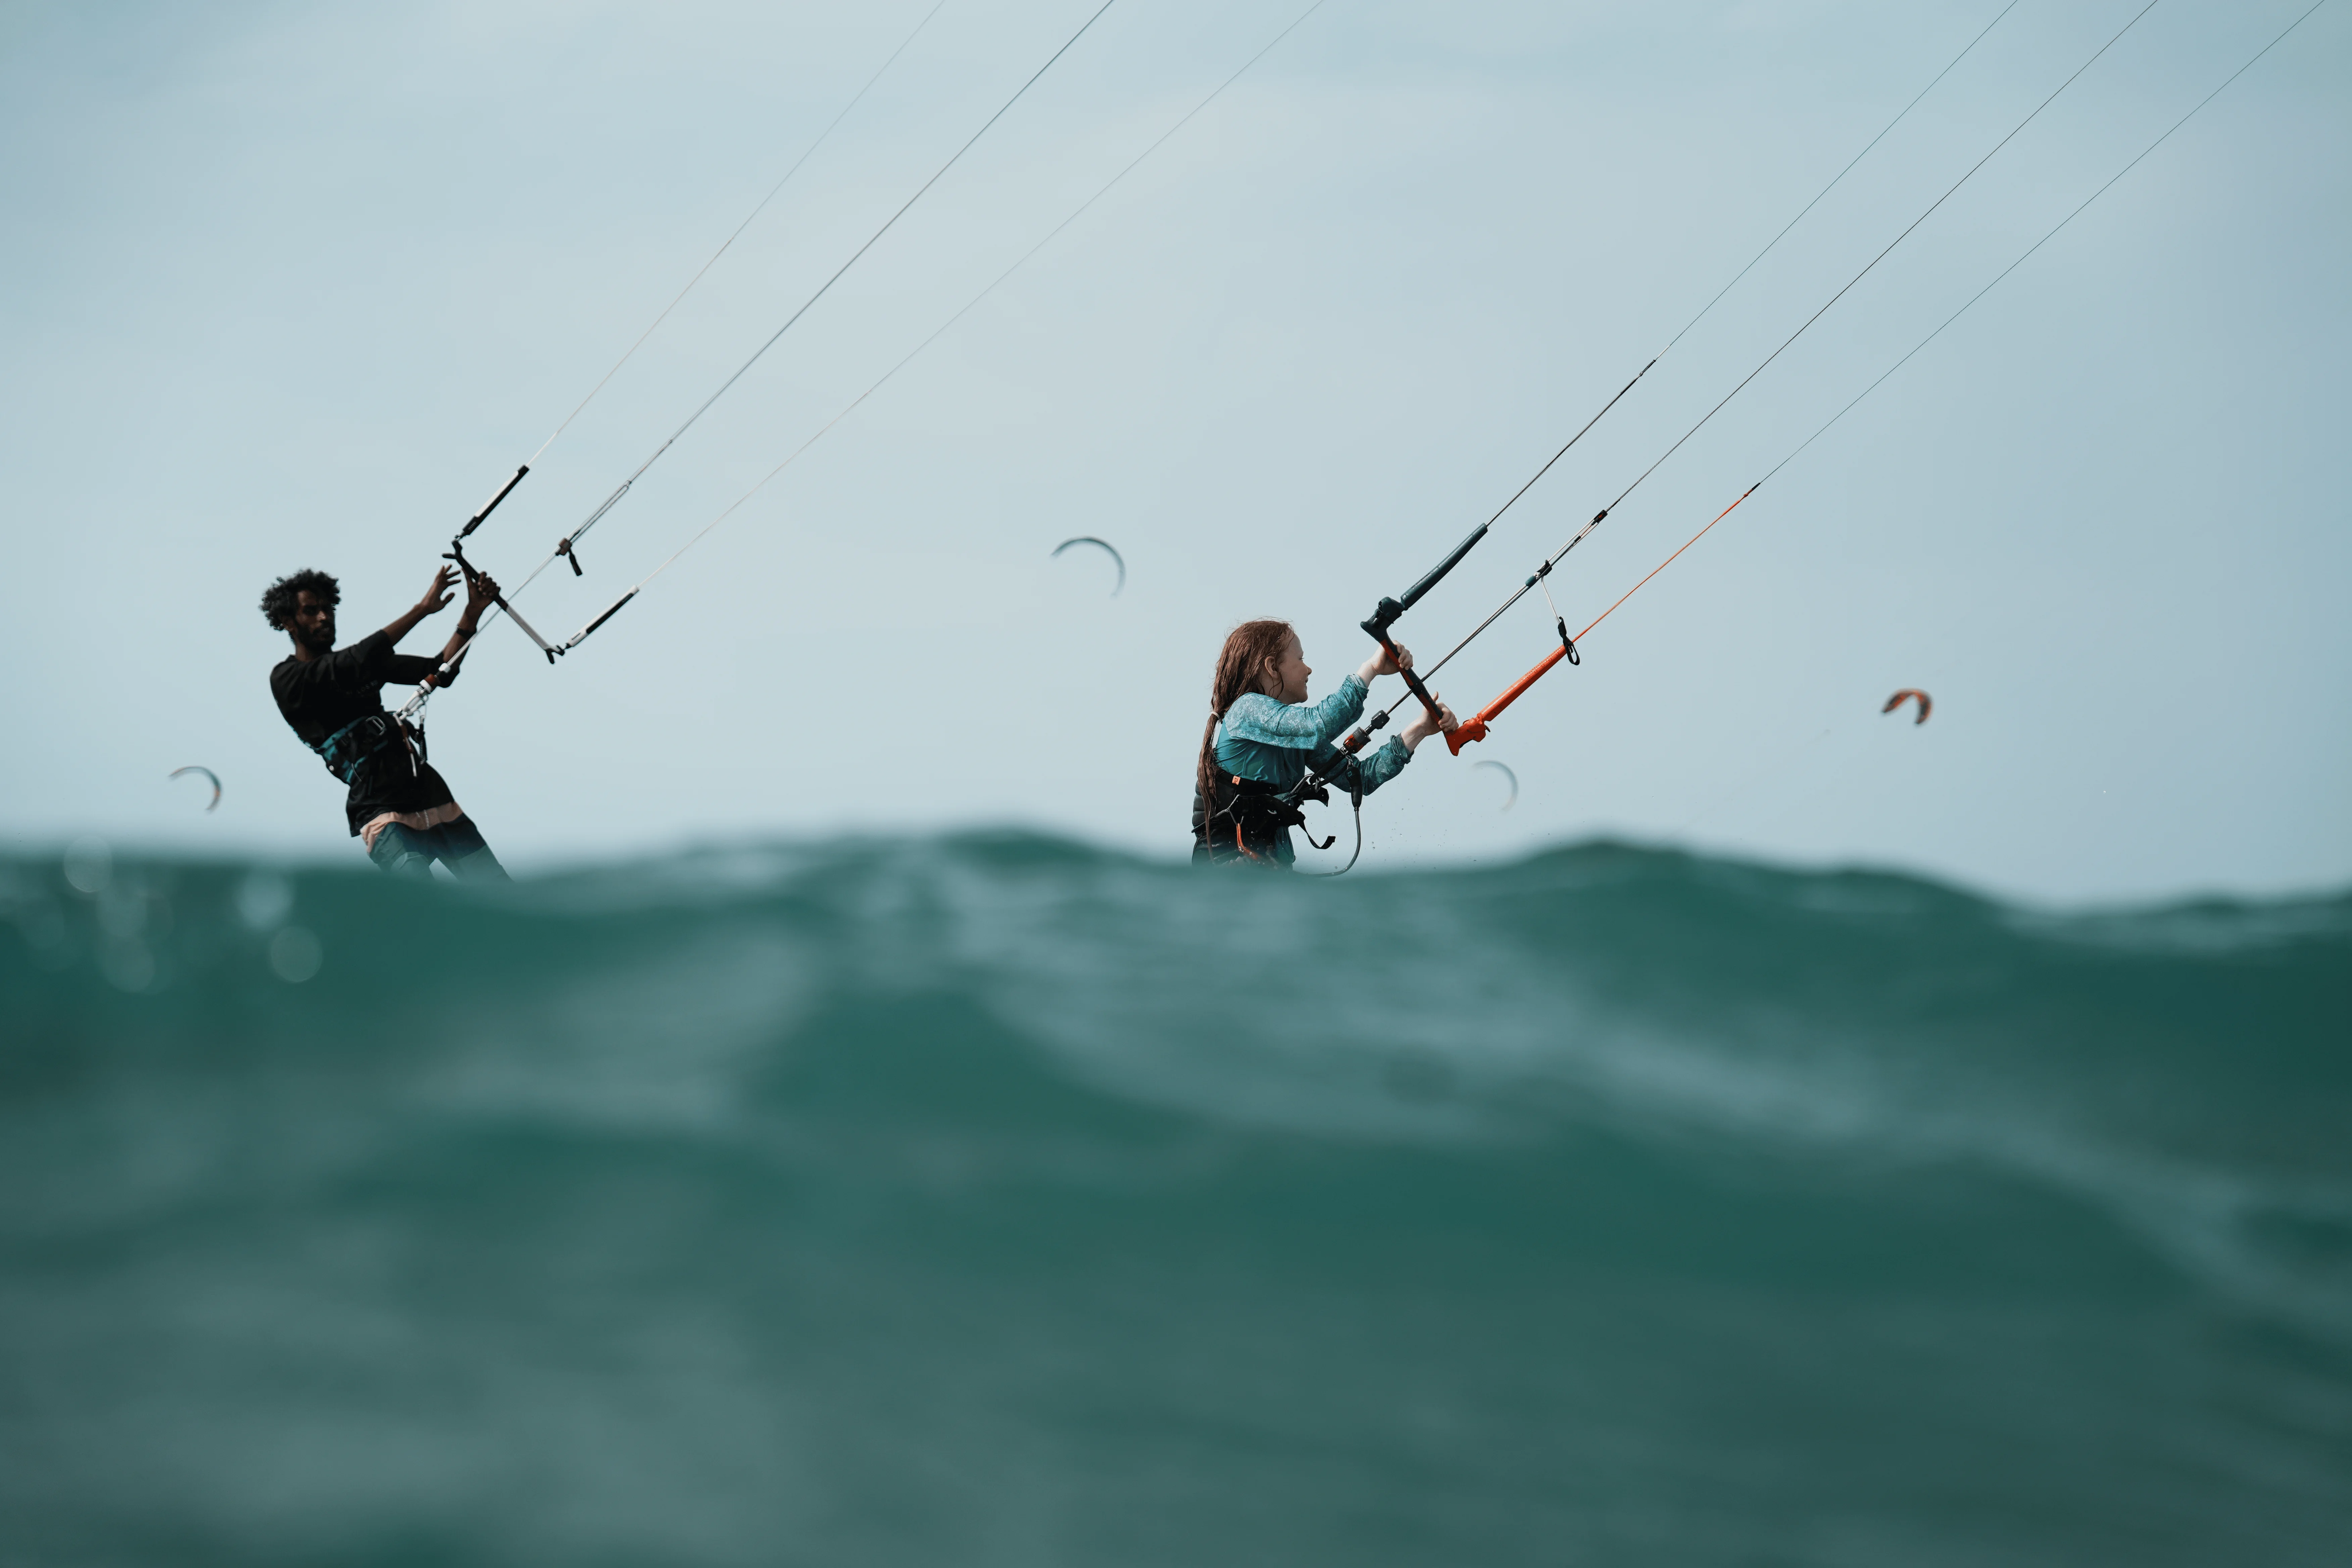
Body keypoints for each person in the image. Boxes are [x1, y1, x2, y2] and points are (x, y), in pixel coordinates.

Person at [262, 565, 508, 880]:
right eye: (311, 611)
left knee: (497, 892)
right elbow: (355, 661)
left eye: (328, 609)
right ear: (288, 622)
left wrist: (471, 614)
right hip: (381, 812)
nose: (324, 617)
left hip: (432, 796)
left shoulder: (362, 665)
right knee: (425, 904)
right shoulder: (288, 679)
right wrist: (421, 610)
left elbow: (441, 670)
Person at [1192, 619, 1457, 866]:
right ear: (1272, 667)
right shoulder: (1246, 710)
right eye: (1300, 658)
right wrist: (1372, 669)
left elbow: (1361, 778)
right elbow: (1318, 725)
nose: (1309, 669)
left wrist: (1420, 729)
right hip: (1225, 880)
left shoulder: (1294, 738)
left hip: (1266, 879)